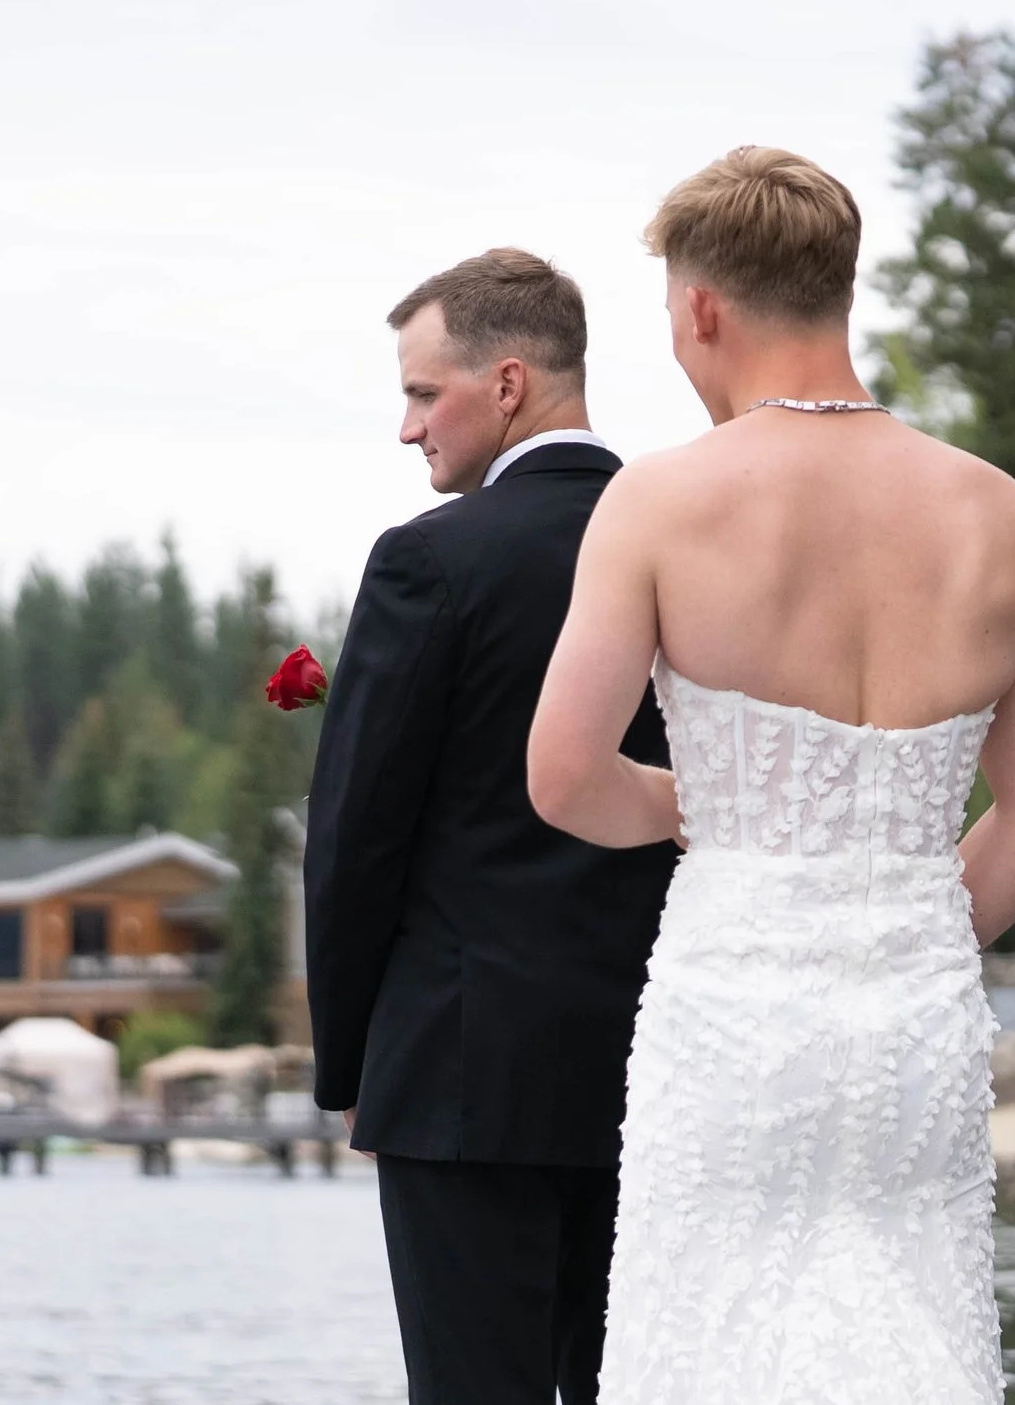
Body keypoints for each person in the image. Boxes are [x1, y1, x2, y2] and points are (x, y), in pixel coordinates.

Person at [528, 148, 1015, 1403]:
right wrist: (921, 923)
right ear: (836, 288)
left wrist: (707, 816)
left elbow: (564, 774)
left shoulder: (660, 502)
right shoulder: (1002, 513)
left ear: (703, 307)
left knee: (709, 1328)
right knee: (905, 1308)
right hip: (913, 1004)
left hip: (729, 993)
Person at [304, 247, 677, 1405]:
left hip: (464, 1073)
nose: (407, 427)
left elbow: (356, 837)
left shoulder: (431, 560)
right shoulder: (692, 546)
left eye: (424, 392)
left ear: (507, 384)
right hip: (665, 1060)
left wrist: (350, 1061)